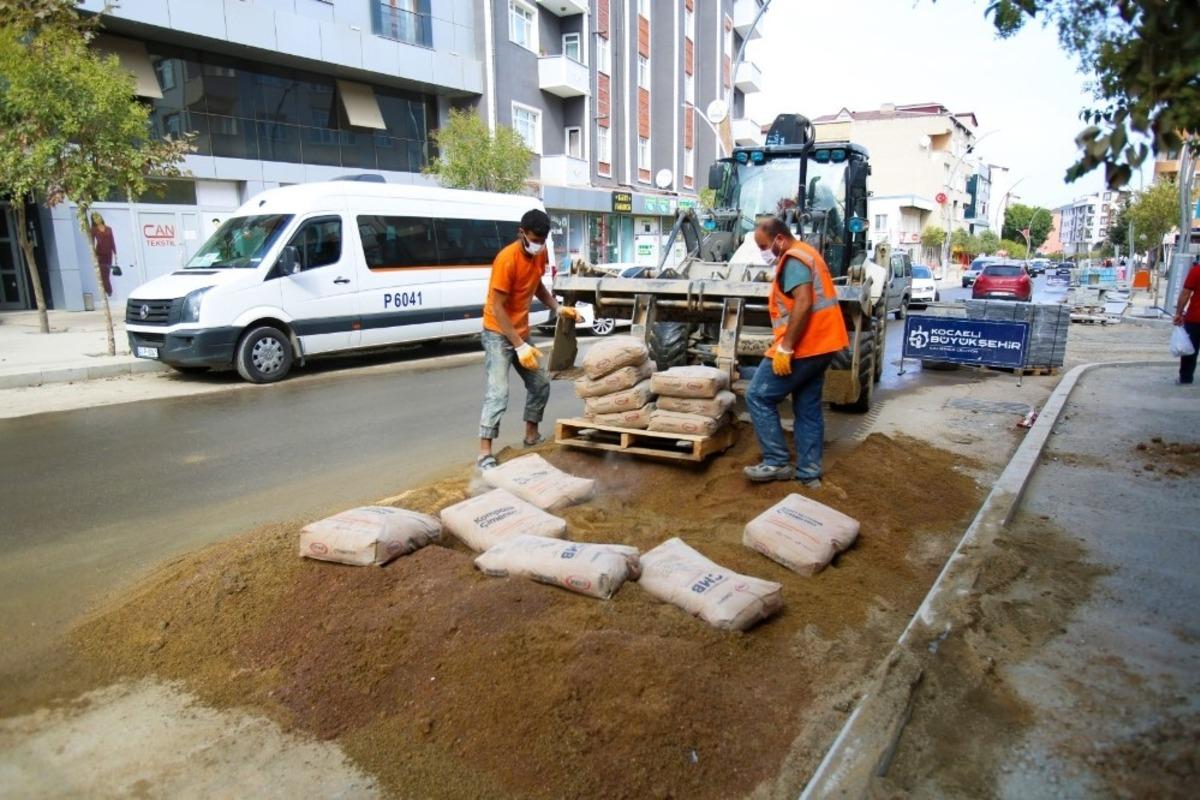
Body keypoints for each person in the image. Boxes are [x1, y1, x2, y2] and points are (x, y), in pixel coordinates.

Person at [743, 217, 849, 488]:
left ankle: (777, 461)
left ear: (779, 239)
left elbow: (803, 302)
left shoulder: (793, 260)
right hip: (824, 345)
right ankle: (809, 474)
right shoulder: (809, 253)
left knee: (757, 395)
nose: (763, 252)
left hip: (805, 346)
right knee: (807, 407)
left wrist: (785, 347)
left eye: (763, 245)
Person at [476, 209, 577, 470]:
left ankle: (531, 436)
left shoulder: (540, 252)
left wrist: (557, 308)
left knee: (540, 383)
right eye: (535, 239)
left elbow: (537, 286)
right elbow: (498, 308)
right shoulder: (506, 260)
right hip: (497, 333)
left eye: (543, 240)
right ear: (522, 232)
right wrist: (519, 345)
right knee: (498, 392)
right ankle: (484, 453)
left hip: (520, 331)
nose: (539, 244)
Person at [1173, 255, 1200, 385]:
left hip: (1196, 318)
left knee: (1190, 349)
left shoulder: (1197, 271)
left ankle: (1186, 378)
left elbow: (1186, 293)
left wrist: (1178, 313)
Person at [89, 213, 116, 296]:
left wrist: (115, 253)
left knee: (107, 272)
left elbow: (112, 241)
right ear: (93, 220)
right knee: (102, 272)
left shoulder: (108, 229)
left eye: (98, 217)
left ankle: (108, 290)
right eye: (94, 218)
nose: (97, 219)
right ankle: (107, 290)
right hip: (99, 253)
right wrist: (94, 254)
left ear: (101, 217)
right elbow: (92, 242)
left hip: (108, 254)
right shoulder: (93, 229)